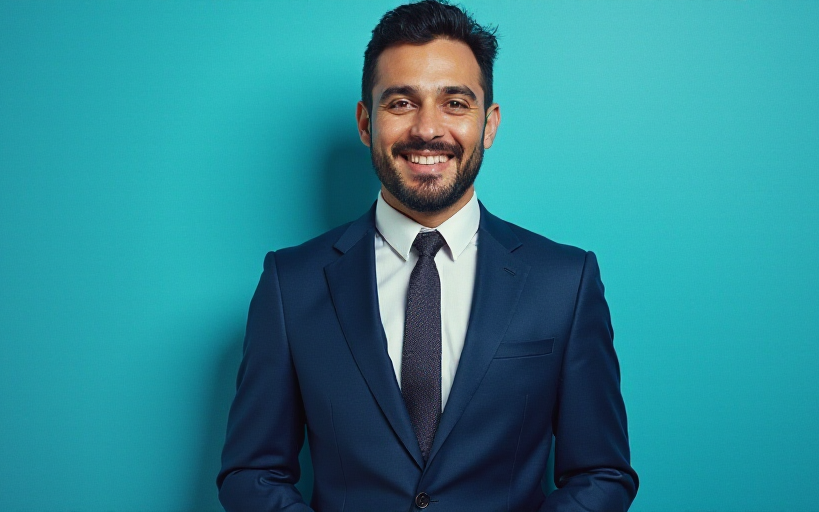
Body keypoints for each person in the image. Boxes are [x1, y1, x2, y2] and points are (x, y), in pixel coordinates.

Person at [217, 1, 638, 510]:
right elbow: (252, 472)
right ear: (366, 123)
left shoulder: (564, 283)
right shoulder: (291, 284)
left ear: (489, 124)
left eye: (456, 103)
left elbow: (601, 472)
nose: (428, 129)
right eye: (401, 103)